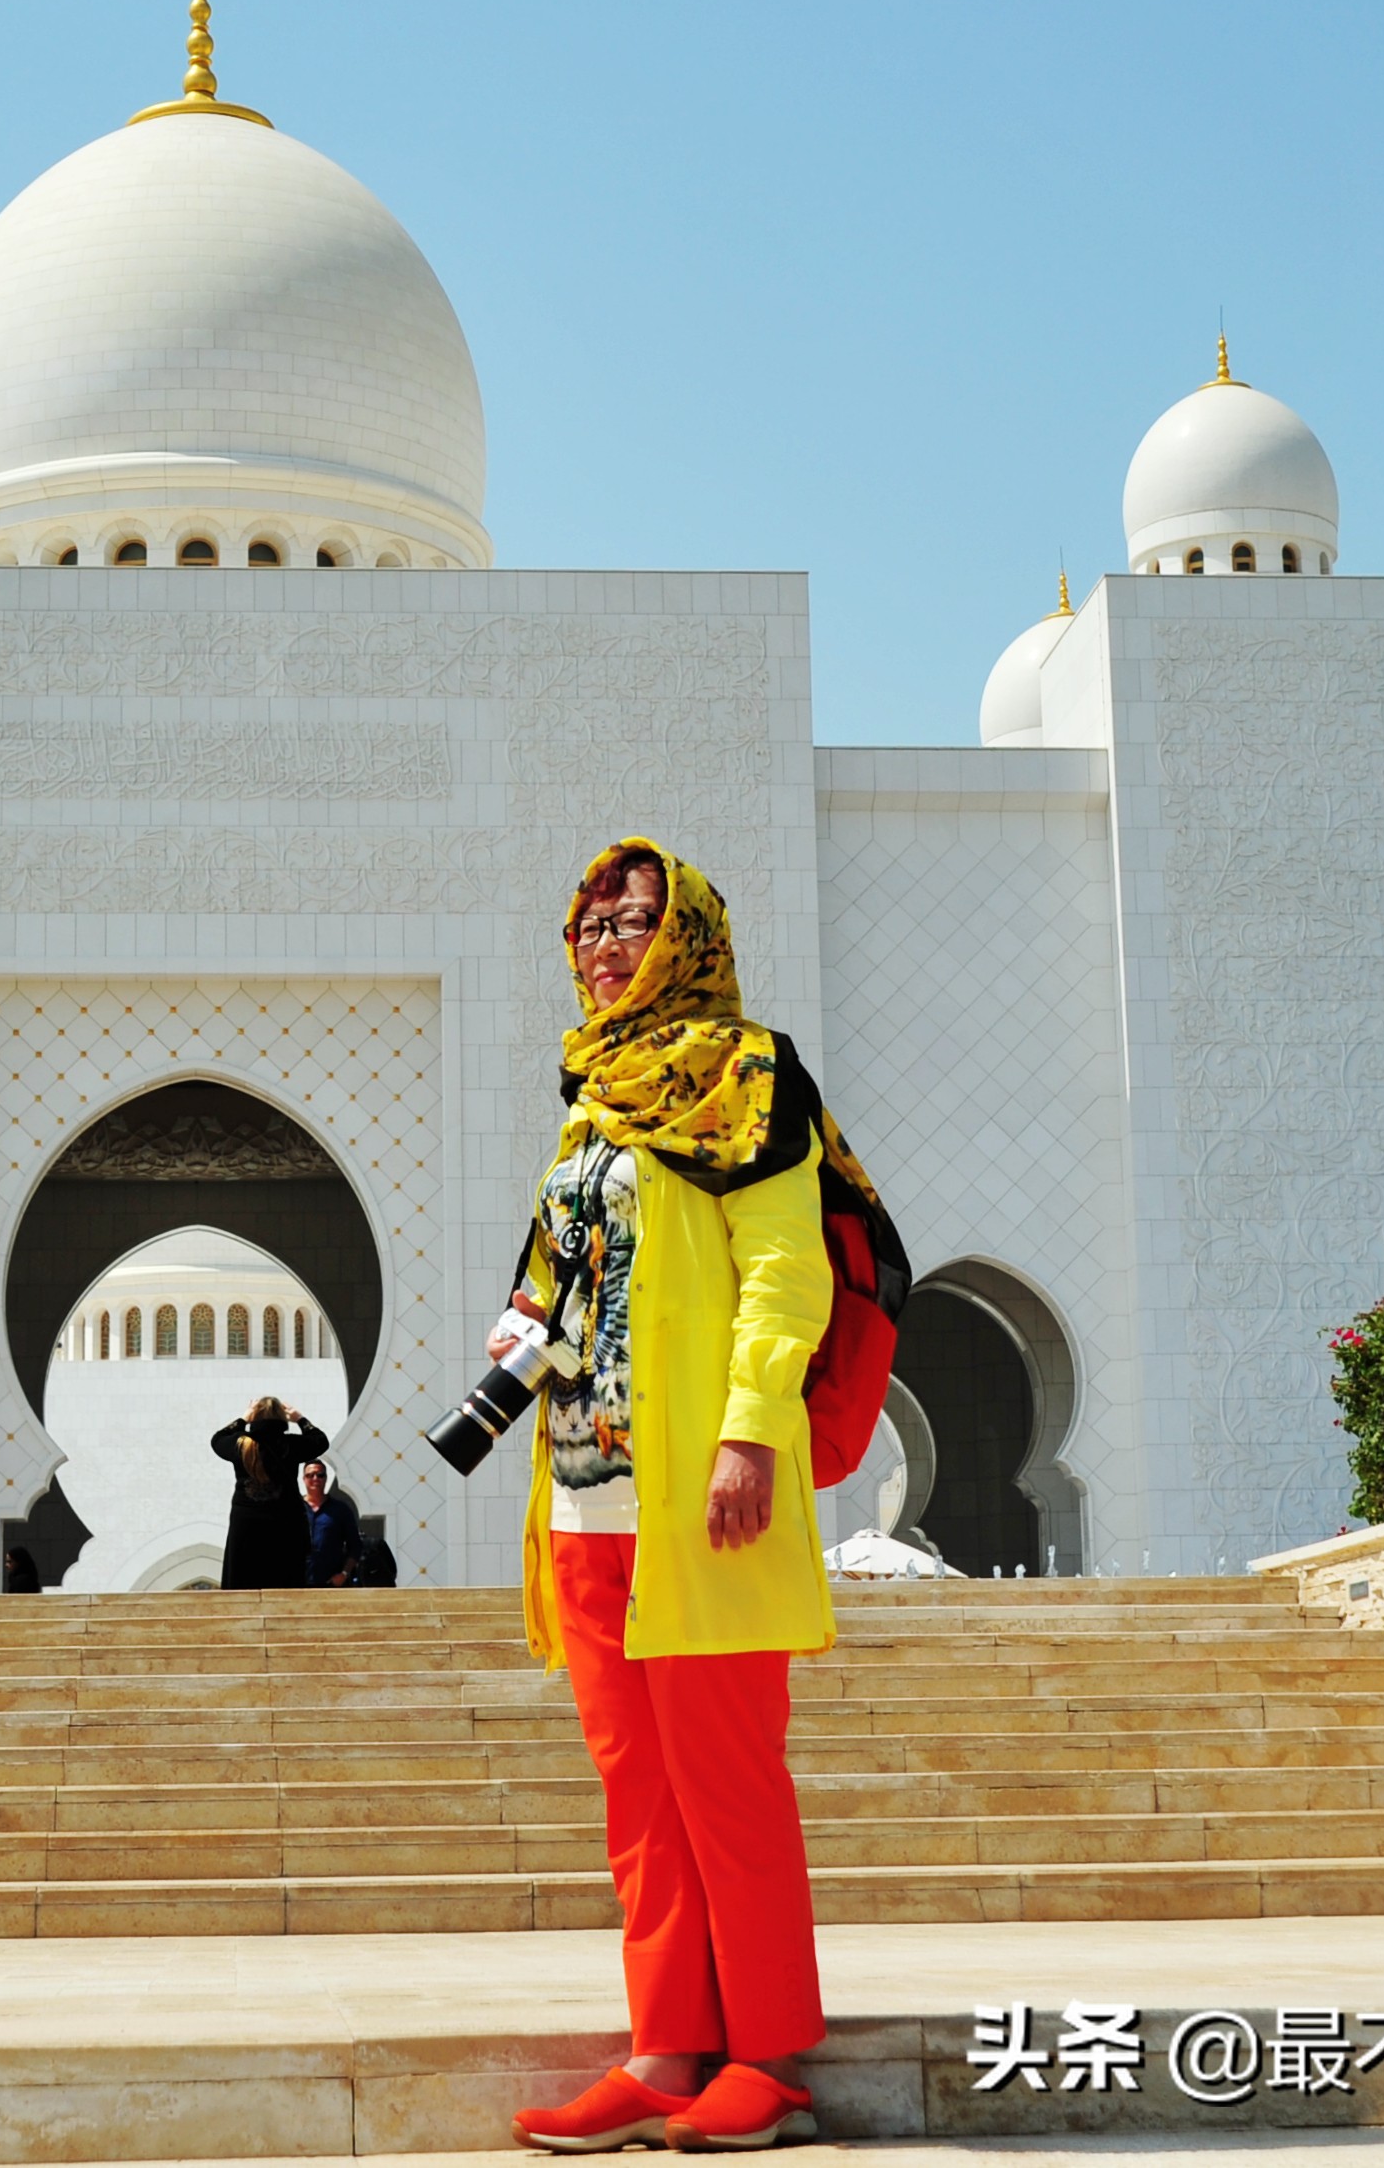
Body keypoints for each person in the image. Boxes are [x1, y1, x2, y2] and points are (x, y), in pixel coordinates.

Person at [505, 839, 858, 2156]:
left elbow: (782, 1268)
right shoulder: (588, 1103)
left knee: (726, 1785)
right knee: (637, 1798)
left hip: (700, 1496)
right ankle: (662, 2051)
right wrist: (484, 1410)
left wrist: (751, 1434)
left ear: (683, 935)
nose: (603, 942)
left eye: (631, 920)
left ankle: (764, 2056)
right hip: (588, 1500)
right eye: (588, 919)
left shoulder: (744, 1076)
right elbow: (548, 1289)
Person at [209, 1397, 328, 1588]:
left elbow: (217, 1439)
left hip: (247, 1523)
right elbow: (320, 1441)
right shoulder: (291, 1444)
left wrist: (243, 1419)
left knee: (244, 1580)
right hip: (285, 1522)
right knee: (284, 1580)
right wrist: (300, 1419)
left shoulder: (242, 1444)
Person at [301, 1459, 361, 1586]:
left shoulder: (341, 1510)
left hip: (331, 1585)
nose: (315, 1478)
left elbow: (355, 1546)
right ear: (303, 1479)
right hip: (298, 1584)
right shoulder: (293, 1509)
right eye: (310, 1475)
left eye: (320, 1475)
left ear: (326, 1478)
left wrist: (344, 1574)